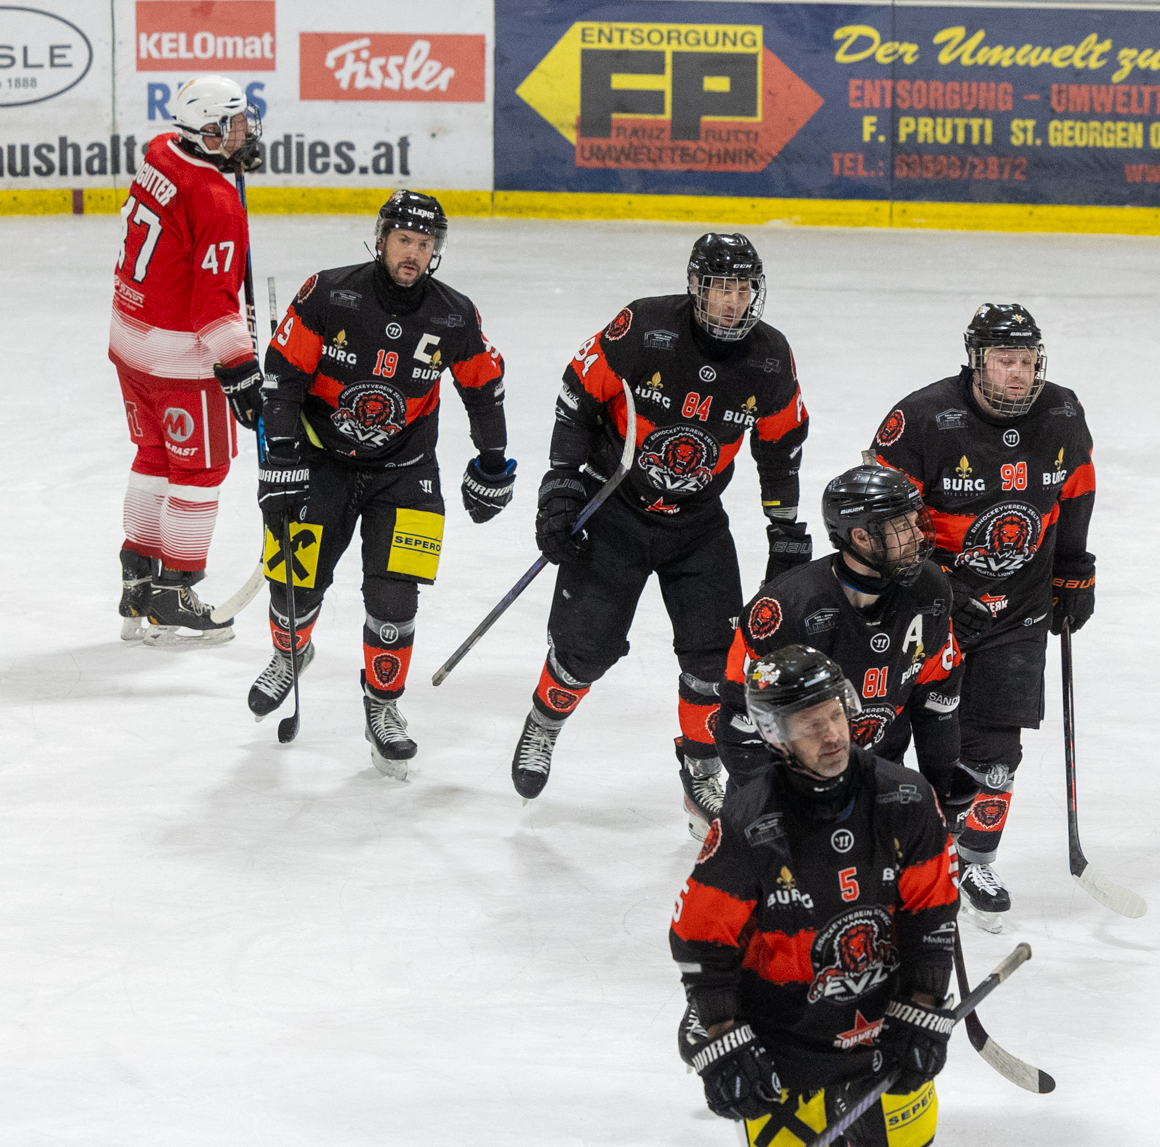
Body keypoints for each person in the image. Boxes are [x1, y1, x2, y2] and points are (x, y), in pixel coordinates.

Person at [670, 646, 960, 1147]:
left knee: (896, 1146)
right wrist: (721, 1034)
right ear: (775, 736)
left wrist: (923, 1005)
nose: (831, 735)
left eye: (834, 715)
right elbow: (700, 941)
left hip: (878, 1025)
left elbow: (932, 915)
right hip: (783, 1038)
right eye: (809, 725)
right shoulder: (750, 821)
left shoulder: (904, 798)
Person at [509, 233, 809, 836]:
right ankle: (544, 721)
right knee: (583, 649)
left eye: (743, 289)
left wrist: (784, 530)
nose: (733, 302)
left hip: (697, 526)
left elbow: (779, 448)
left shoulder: (771, 356)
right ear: (696, 286)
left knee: (714, 661)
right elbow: (577, 395)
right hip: (613, 509)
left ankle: (700, 766)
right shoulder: (644, 326)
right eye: (721, 289)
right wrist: (562, 483)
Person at [253, 191, 513, 776]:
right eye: (404, 240)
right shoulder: (328, 293)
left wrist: (493, 462)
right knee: (292, 583)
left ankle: (383, 703)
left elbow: (483, 389)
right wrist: (282, 456)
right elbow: (283, 379)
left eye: (424, 244)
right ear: (381, 239)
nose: (413, 254)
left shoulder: (454, 314)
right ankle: (290, 653)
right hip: (322, 461)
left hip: (407, 472)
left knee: (395, 601)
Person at [872, 304, 1096, 925]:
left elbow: (1076, 491)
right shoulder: (921, 418)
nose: (1019, 373)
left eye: (1026, 361)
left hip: (1018, 610)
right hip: (923, 612)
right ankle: (891, 860)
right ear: (976, 360)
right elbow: (881, 523)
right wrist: (938, 591)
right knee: (891, 740)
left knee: (996, 754)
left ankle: (972, 858)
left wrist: (1075, 568)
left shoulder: (1062, 412)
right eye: (1004, 361)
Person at [111, 75, 264, 647]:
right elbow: (213, 309)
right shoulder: (219, 203)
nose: (245, 130)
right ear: (208, 131)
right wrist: (241, 368)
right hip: (179, 358)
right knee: (200, 471)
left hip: (129, 337)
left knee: (153, 456)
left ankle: (138, 579)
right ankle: (173, 593)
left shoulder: (160, 150)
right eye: (234, 123)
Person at [716, 458, 962, 800]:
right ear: (861, 536)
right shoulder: (783, 610)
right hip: (794, 786)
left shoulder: (929, 589)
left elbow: (935, 699)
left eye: (915, 521)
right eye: (903, 527)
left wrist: (943, 789)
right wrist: (779, 805)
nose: (919, 535)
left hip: (877, 780)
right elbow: (741, 726)